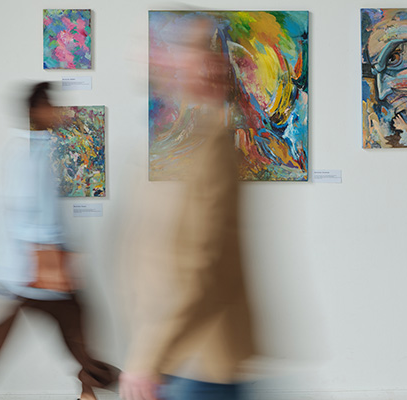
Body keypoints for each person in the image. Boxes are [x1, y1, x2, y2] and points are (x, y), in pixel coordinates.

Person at [0, 82, 119, 400]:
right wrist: (55, 260)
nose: (56, 112)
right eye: (50, 105)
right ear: (36, 110)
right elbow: (30, 209)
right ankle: (105, 382)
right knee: (75, 324)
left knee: (6, 335)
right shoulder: (30, 151)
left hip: (26, 268)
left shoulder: (30, 147)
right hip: (37, 267)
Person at [120, 17, 256, 400]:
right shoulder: (172, 141)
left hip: (197, 358)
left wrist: (148, 359)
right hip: (182, 355)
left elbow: (199, 263)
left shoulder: (206, 145)